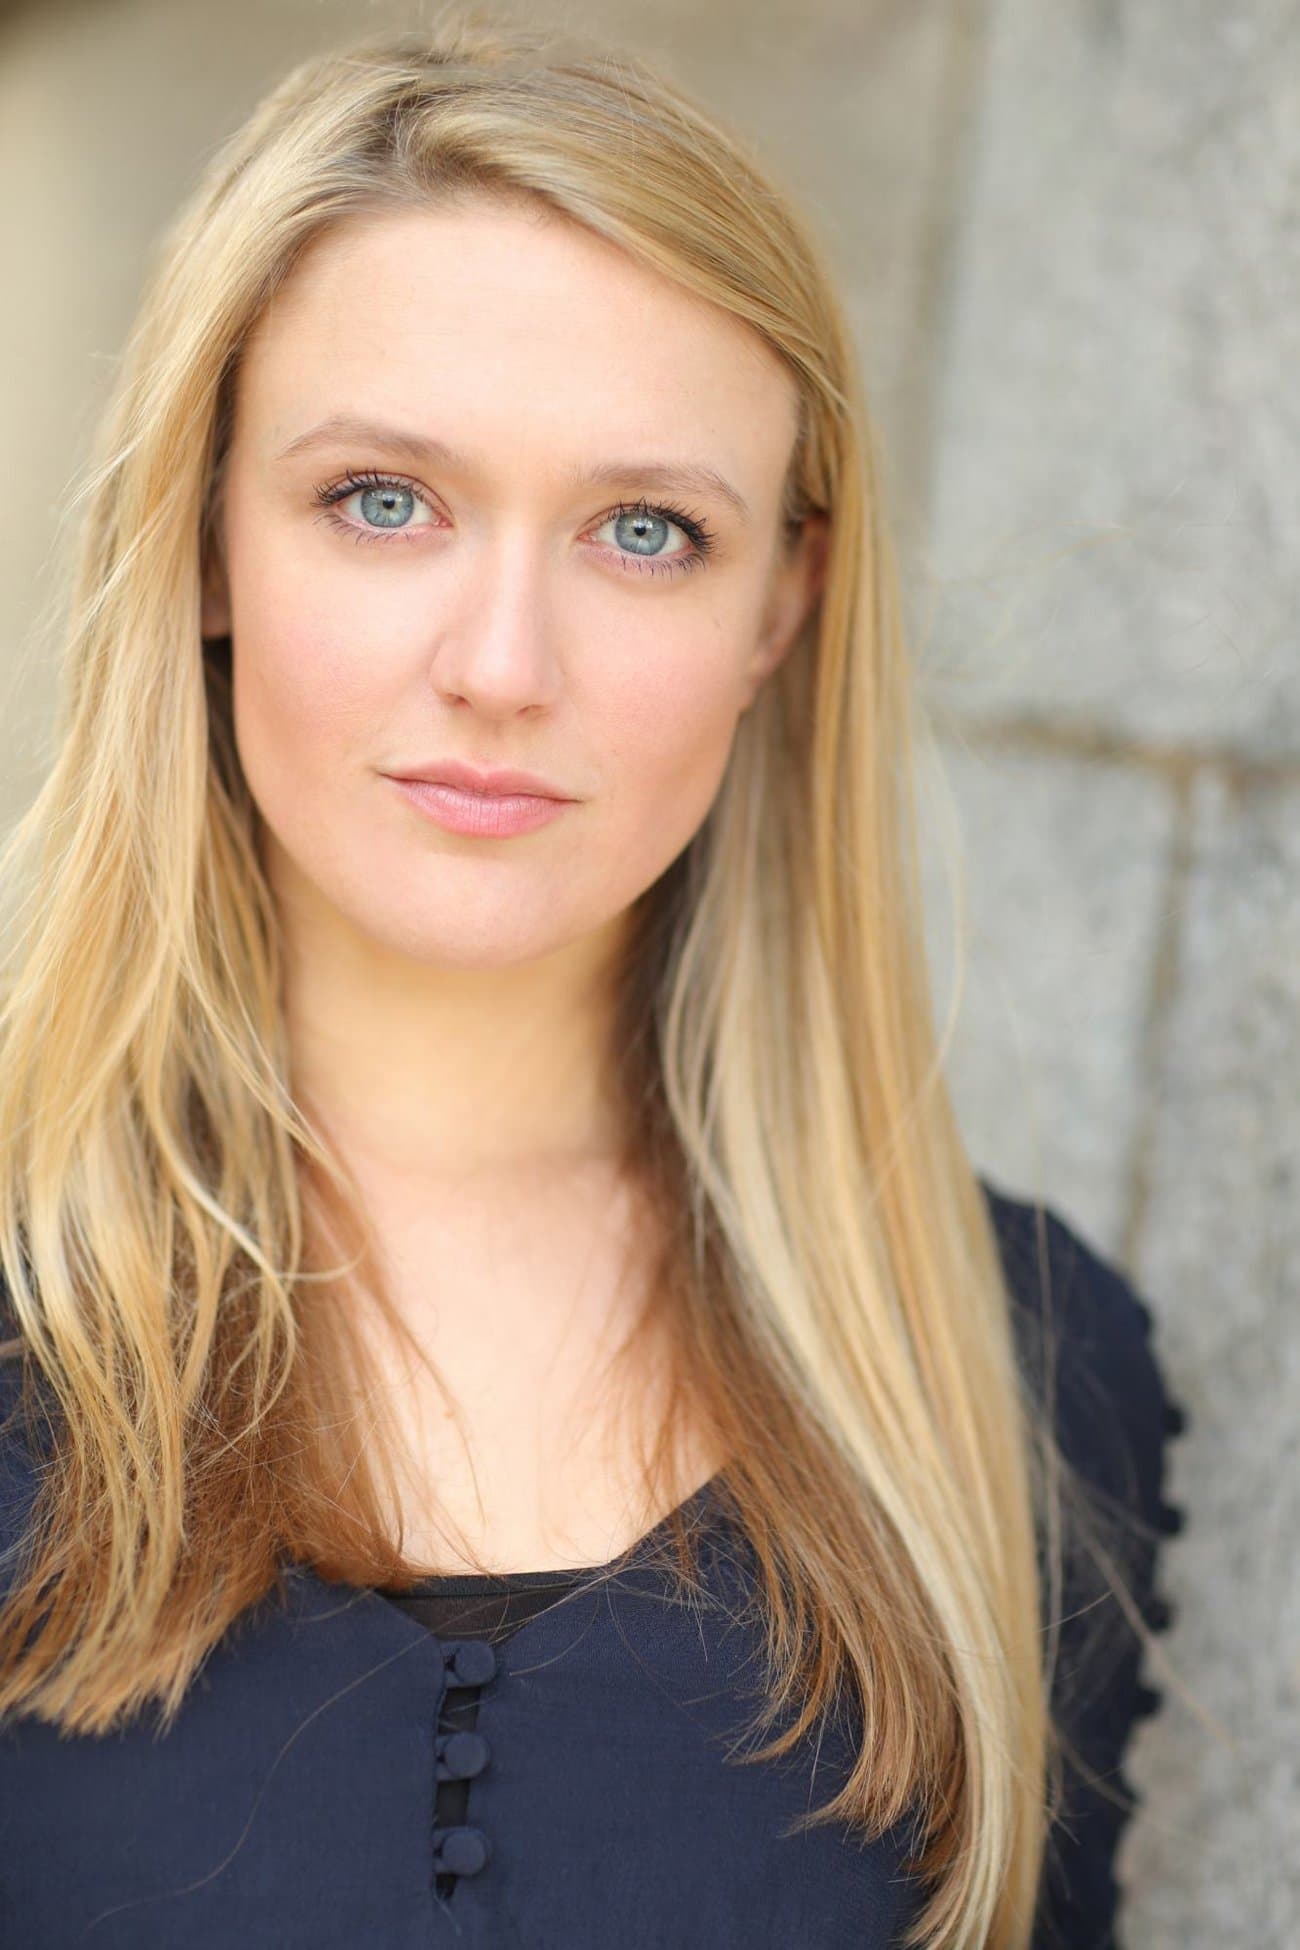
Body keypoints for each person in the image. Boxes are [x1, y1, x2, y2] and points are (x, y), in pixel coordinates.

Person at [0, 14, 1185, 1946]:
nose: (502, 662)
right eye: (383, 498)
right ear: (205, 539)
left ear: (779, 607)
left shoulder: (1019, 1375)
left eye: (646, 531)